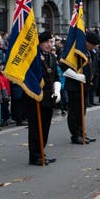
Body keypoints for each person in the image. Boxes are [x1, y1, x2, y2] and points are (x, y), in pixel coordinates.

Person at [27, 32, 60, 166]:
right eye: (47, 42)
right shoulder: (33, 57)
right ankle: (34, 156)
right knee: (36, 127)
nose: (50, 45)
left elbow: (56, 76)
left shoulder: (51, 56)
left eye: (51, 42)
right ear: (40, 43)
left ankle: (41, 151)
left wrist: (57, 90)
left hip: (48, 97)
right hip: (36, 97)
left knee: (45, 126)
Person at [62, 31, 100, 144]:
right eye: (92, 44)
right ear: (86, 42)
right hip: (74, 86)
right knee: (75, 111)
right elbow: (64, 65)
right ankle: (75, 135)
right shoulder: (75, 51)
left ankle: (81, 132)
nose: (94, 47)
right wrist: (76, 76)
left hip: (85, 86)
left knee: (82, 111)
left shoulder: (90, 53)